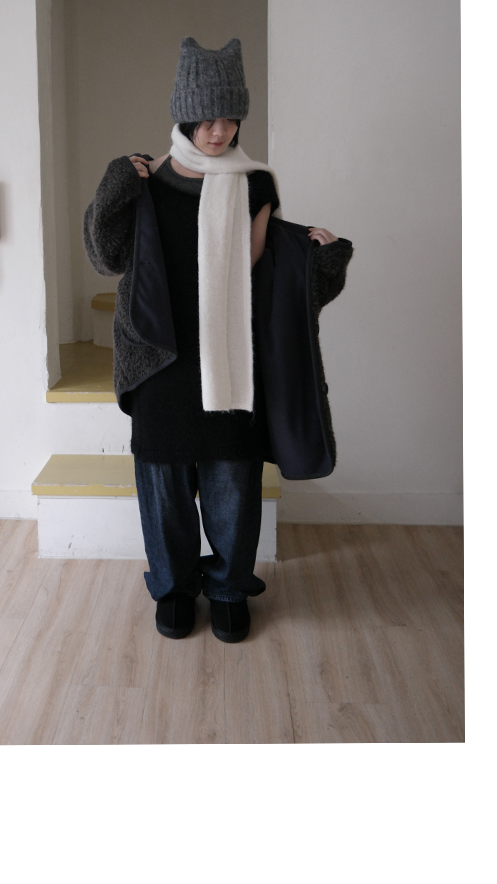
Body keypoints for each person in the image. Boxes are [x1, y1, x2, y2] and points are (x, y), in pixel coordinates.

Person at [83, 35, 339, 644]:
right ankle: (173, 588)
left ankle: (227, 587)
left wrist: (315, 255)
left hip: (228, 355)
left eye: (229, 118)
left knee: (232, 482)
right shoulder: (144, 180)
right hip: (158, 357)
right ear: (184, 114)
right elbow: (104, 255)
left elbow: (257, 270)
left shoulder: (255, 184)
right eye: (206, 118)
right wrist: (117, 180)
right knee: (163, 486)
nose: (219, 131)